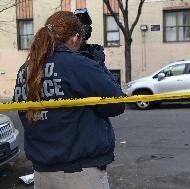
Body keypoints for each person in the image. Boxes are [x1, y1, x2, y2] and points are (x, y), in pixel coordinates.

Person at [13, 11, 125, 189]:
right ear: (75, 38)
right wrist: (98, 65)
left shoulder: (26, 69)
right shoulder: (76, 64)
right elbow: (116, 104)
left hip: (42, 173)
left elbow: (26, 113)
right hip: (80, 174)